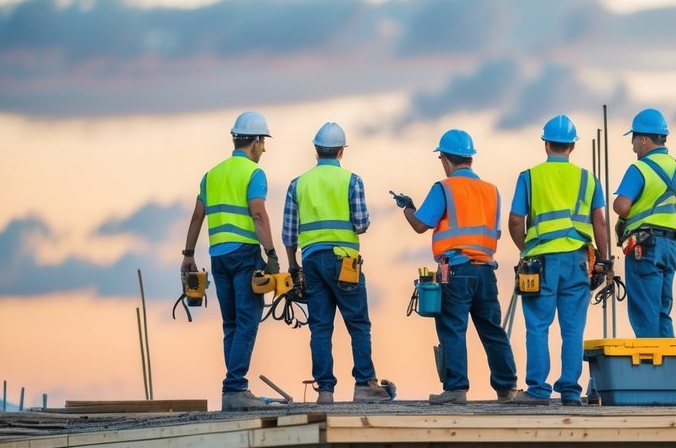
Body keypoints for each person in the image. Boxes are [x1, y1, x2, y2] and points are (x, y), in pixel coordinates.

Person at [395, 129, 519, 405]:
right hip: (486, 271)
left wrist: (407, 208)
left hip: (456, 271)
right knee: (492, 330)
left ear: (444, 159)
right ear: (470, 158)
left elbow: (420, 225)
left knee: (452, 328)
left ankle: (455, 389)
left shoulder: (445, 188)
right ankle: (507, 388)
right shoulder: (491, 191)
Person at [282, 122, 391, 405]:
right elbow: (361, 223)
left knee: (320, 327)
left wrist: (294, 267)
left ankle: (326, 390)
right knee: (358, 324)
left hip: (311, 261)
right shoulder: (352, 181)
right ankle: (364, 385)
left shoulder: (298, 183)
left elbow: (289, 232)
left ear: (316, 149)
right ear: (341, 151)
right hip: (345, 261)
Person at [507, 115, 611, 406]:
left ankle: (538, 390)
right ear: (572, 147)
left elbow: (516, 220)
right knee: (573, 329)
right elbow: (599, 222)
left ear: (545, 144)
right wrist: (604, 260)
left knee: (538, 326)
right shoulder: (589, 179)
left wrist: (525, 246)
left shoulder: (529, 176)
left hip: (539, 261)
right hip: (578, 260)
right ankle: (570, 392)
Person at [181, 110, 279, 411]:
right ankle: (235, 387)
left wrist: (188, 255)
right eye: (263, 143)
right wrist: (271, 253)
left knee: (231, 324)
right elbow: (258, 214)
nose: (264, 149)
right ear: (256, 141)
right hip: (245, 254)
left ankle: (234, 388)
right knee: (248, 322)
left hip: (218, 255)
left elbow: (198, 216)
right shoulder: (253, 173)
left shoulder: (211, 175)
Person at [613, 108, 676, 338]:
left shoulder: (639, 169)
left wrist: (623, 218)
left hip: (644, 247)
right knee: (661, 313)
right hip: (670, 248)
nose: (633, 146)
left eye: (634, 139)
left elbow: (622, 206)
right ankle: (666, 372)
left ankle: (649, 372)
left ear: (644, 139)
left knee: (644, 313)